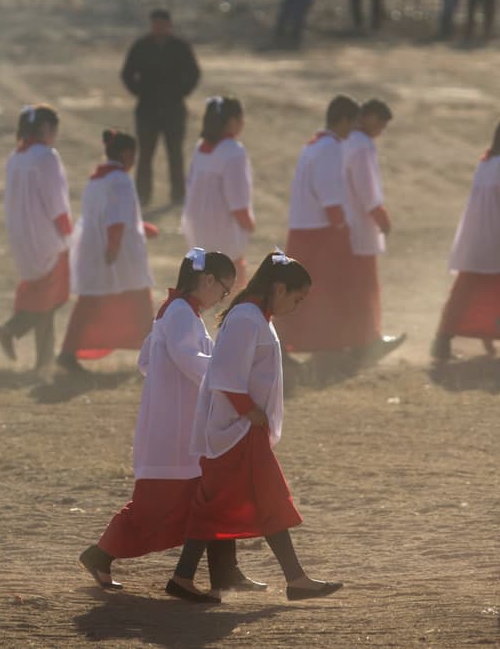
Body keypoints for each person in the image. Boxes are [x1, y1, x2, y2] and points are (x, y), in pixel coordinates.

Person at [80, 249, 263, 599]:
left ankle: (226, 571)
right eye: (224, 290)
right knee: (158, 506)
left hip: (181, 421)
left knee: (210, 498)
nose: (222, 298)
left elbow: (149, 359)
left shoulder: (179, 311)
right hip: (176, 428)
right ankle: (100, 555)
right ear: (207, 280)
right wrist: (229, 371)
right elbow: (186, 359)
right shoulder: (180, 313)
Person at [179, 251, 342, 602]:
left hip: (242, 429)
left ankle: (188, 577)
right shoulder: (247, 319)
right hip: (236, 429)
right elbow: (224, 374)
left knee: (243, 503)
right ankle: (294, 579)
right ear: (279, 288)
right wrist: (250, 412)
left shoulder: (254, 317)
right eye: (296, 299)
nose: (296, 307)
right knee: (258, 502)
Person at [56, 131, 158, 372]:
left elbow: (105, 216)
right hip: (117, 253)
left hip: (95, 248)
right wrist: (113, 249)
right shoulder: (120, 180)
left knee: (91, 302)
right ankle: (153, 355)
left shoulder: (96, 180)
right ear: (126, 154)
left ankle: (68, 352)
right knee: (139, 303)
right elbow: (115, 220)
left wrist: (139, 226)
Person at [433, 116, 500, 363]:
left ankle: (443, 341)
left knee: (466, 290)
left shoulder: (486, 162)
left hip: (476, 234)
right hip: (496, 235)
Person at [274, 96, 357, 357]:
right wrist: (341, 226)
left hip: (302, 228)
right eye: (352, 123)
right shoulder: (330, 148)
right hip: (319, 232)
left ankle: (285, 346)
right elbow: (329, 195)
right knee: (322, 291)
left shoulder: (314, 145)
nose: (353, 131)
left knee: (293, 290)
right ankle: (324, 347)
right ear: (343, 120)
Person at [0, 105, 72, 369]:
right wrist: (67, 235)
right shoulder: (47, 157)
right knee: (50, 301)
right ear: (45, 129)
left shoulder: (15, 157)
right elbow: (56, 202)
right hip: (47, 237)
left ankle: (21, 338)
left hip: (22, 237)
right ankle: (37, 355)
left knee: (42, 297)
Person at [338, 99, 405, 360]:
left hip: (343, 225)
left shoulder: (342, 140)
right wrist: (383, 219)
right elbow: (368, 193)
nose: (380, 130)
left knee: (350, 287)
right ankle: (368, 341)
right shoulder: (363, 146)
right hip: (361, 227)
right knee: (365, 288)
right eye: (381, 124)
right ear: (369, 117)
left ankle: (352, 340)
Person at [119, 9, 201, 207]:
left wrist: (181, 92)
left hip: (173, 108)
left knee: (175, 154)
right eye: (155, 23)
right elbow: (127, 73)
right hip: (147, 109)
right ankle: (143, 195)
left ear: (169, 25)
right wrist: (140, 92)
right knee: (145, 155)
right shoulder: (142, 46)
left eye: (162, 24)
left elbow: (193, 73)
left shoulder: (179, 47)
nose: (159, 27)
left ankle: (178, 194)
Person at [181, 97, 255, 288]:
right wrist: (248, 224)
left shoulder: (200, 149)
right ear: (231, 122)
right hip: (224, 234)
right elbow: (237, 202)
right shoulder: (233, 152)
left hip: (197, 232)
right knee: (233, 291)